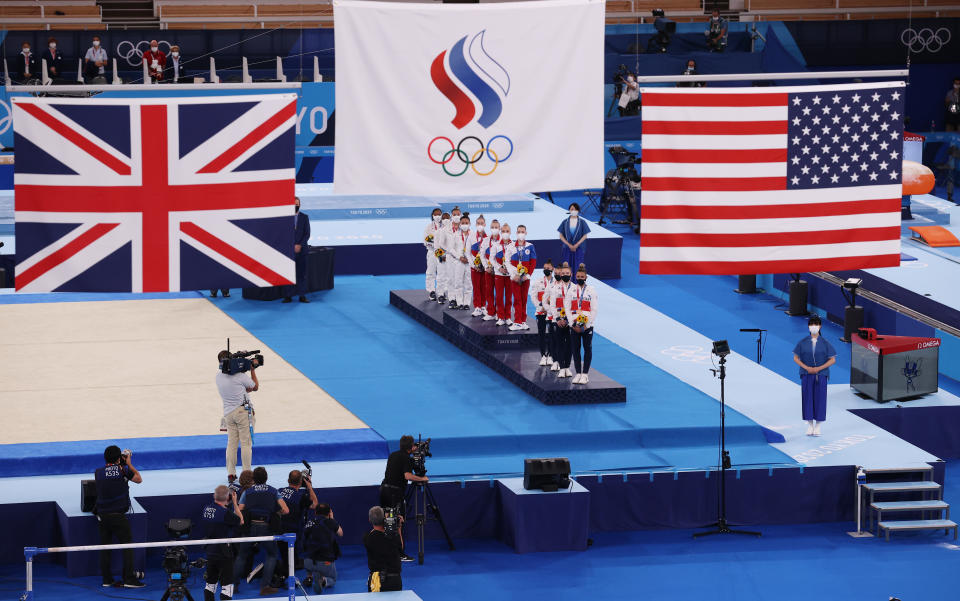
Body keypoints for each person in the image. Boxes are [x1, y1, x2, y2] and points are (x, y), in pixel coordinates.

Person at [94, 445, 145, 588]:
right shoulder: (123, 470)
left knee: (105, 548)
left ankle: (107, 579)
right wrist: (128, 463)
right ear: (119, 458)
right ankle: (129, 579)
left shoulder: (97, 472)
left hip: (102, 516)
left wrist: (119, 463)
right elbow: (139, 479)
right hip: (118, 516)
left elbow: (109, 477)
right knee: (127, 546)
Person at [234, 467, 290, 596]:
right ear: (266, 478)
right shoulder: (273, 491)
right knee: (272, 555)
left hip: (250, 528)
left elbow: (240, 510)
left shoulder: (247, 492)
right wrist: (276, 513)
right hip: (266, 527)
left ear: (254, 479)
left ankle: (233, 586)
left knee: (242, 556)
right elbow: (286, 510)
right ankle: (264, 586)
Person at [379, 435, 427, 563]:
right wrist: (422, 478)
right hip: (394, 495)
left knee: (388, 521)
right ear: (410, 447)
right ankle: (399, 554)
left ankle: (387, 552)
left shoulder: (393, 455)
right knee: (397, 523)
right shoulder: (406, 458)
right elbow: (407, 476)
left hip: (384, 491)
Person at [216, 350, 259, 482]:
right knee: (246, 443)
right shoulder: (240, 376)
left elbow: (241, 388)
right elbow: (255, 386)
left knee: (232, 444)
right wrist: (252, 370)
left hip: (228, 413)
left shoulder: (218, 377)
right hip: (242, 412)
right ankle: (247, 474)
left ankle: (231, 473)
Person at [792, 315, 837, 437]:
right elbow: (796, 357)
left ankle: (818, 426)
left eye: (816, 324)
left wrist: (819, 369)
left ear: (820, 326)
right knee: (807, 398)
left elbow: (832, 360)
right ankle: (810, 425)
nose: (814, 327)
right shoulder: (802, 342)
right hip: (806, 374)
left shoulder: (825, 343)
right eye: (812, 324)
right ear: (808, 327)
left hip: (821, 375)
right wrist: (807, 368)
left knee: (820, 399)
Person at [201, 485, 244, 601]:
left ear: (214, 496)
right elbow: (241, 521)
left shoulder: (206, 508)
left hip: (210, 551)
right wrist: (235, 503)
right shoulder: (225, 513)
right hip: (224, 553)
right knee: (227, 587)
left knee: (210, 585)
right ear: (228, 498)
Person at [277, 469, 317, 573]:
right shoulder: (301, 496)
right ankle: (287, 571)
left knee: (284, 552)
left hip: (277, 528)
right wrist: (309, 486)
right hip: (293, 530)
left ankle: (286, 566)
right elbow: (315, 504)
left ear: (288, 480)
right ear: (301, 482)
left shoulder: (279, 491)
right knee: (291, 555)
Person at [567, 264, 598, 384]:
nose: (580, 278)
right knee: (575, 349)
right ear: (575, 276)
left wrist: (587, 325)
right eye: (578, 276)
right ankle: (578, 373)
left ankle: (585, 374)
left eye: (582, 276)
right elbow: (567, 307)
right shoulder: (571, 290)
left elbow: (594, 309)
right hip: (574, 325)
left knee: (587, 348)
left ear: (586, 277)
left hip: (587, 326)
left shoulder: (591, 290)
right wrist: (572, 324)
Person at [302, 503, 342, 594]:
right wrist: (332, 519)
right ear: (329, 513)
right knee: (333, 579)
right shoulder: (330, 522)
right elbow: (340, 533)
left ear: (315, 512)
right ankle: (323, 580)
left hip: (308, 562)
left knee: (309, 550)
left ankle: (309, 577)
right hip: (325, 562)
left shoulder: (309, 522)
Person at [363, 506, 402, 592]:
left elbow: (374, 533)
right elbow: (401, 547)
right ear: (384, 518)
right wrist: (398, 526)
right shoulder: (393, 536)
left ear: (370, 520)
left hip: (377, 581)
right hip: (395, 580)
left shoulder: (367, 537)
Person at [506, 225, 537, 331]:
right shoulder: (510, 246)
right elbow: (507, 262)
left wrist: (527, 275)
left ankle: (523, 321)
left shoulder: (530, 246)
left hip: (525, 278)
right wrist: (513, 275)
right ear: (516, 233)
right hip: (514, 278)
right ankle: (517, 322)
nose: (521, 233)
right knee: (517, 299)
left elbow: (533, 262)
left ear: (526, 233)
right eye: (519, 231)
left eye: (522, 231)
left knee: (524, 299)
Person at [283, 196, 311, 303]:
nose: (296, 205)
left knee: (301, 274)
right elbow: (283, 234)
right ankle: (288, 296)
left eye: (297, 204)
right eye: (294, 203)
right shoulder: (285, 217)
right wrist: (292, 245)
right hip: (288, 251)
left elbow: (307, 234)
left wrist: (299, 245)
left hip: (302, 250)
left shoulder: (305, 217)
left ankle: (302, 295)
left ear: (300, 205)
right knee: (288, 274)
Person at [530, 259, 555, 366]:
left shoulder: (556, 283)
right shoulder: (538, 282)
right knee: (541, 334)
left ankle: (550, 355)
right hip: (540, 312)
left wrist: (549, 309)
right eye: (544, 268)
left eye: (548, 268)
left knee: (551, 334)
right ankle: (543, 356)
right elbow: (533, 296)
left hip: (551, 313)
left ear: (552, 269)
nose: (546, 270)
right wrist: (540, 307)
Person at [551, 262, 574, 377]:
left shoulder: (575, 288)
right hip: (559, 320)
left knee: (569, 345)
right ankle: (561, 367)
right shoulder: (555, 288)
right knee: (559, 344)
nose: (565, 275)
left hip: (570, 321)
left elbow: (576, 306)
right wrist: (558, 319)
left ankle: (568, 367)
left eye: (567, 273)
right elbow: (552, 305)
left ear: (571, 274)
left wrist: (569, 320)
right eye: (563, 273)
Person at [490, 223, 513, 326]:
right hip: (499, 274)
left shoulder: (514, 245)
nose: (505, 233)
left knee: (508, 297)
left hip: (510, 275)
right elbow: (491, 258)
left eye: (507, 231)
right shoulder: (496, 245)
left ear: (510, 232)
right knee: (499, 296)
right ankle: (500, 317)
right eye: (503, 231)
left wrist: (510, 269)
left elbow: (517, 260)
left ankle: (508, 317)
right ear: (500, 232)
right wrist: (499, 268)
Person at [558, 203, 590, 274]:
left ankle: (577, 283)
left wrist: (577, 244)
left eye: (575, 209)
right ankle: (567, 283)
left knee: (578, 267)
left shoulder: (582, 222)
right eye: (572, 209)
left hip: (579, 248)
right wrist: (569, 245)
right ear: (569, 210)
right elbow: (561, 236)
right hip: (567, 248)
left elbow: (585, 235)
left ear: (578, 210)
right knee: (566, 267)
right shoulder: (565, 222)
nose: (573, 210)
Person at [468, 214, 488, 317]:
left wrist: (485, 265)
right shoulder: (471, 236)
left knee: (484, 286)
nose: (480, 225)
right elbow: (467, 252)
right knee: (476, 287)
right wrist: (473, 265)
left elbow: (489, 253)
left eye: (482, 223)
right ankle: (477, 307)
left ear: (485, 224)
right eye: (478, 223)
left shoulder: (488, 238)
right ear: (476, 224)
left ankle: (483, 306)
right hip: (474, 267)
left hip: (484, 267)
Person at [480, 219, 500, 321]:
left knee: (500, 293)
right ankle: (491, 312)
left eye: (496, 227)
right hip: (488, 270)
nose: (494, 229)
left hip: (499, 271)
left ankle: (499, 313)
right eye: (492, 227)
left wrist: (499, 268)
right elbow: (482, 255)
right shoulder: (486, 240)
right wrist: (486, 267)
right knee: (489, 291)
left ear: (499, 228)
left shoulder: (504, 241)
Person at [449, 214, 471, 310]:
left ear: (469, 224)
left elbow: (476, 249)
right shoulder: (455, 235)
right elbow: (451, 249)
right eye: (463, 223)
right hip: (459, 262)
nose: (464, 225)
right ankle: (459, 302)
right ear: (460, 224)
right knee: (458, 283)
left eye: (466, 223)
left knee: (468, 283)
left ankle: (466, 303)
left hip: (469, 262)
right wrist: (460, 257)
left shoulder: (473, 235)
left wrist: (469, 259)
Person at [423, 208, 443, 300]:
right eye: (436, 215)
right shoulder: (428, 227)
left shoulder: (445, 226)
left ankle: (441, 292)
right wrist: (434, 243)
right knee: (431, 272)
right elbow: (425, 241)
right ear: (432, 216)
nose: (437, 216)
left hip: (442, 253)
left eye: (439, 214)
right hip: (432, 252)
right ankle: (431, 291)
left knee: (442, 273)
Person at [433, 212, 452, 305]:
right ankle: (440, 294)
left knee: (450, 277)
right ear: (441, 220)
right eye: (444, 218)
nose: (446, 220)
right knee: (441, 276)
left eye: (447, 218)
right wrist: (441, 256)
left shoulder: (454, 232)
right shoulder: (437, 232)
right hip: (442, 258)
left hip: (451, 258)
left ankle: (447, 293)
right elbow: (436, 247)